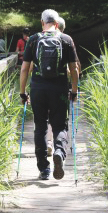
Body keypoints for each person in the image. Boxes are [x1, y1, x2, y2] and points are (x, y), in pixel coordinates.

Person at [18, 9, 80, 180]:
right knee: (60, 125)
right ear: (57, 23)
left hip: (38, 88)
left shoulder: (33, 39)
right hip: (59, 89)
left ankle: (44, 169)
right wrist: (74, 90)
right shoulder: (66, 39)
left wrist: (23, 93)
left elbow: (24, 69)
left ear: (42, 22)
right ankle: (59, 152)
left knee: (40, 127)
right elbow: (74, 69)